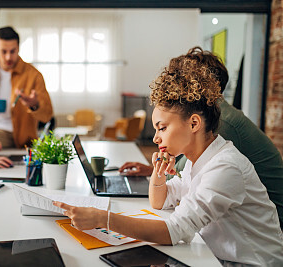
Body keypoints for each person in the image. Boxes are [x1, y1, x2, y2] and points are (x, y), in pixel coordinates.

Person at [54, 49, 283, 265]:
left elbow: (174, 231)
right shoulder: (198, 160)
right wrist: (158, 174)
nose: (155, 138)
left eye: (161, 128)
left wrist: (103, 219)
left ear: (194, 123)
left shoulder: (225, 167)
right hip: (217, 255)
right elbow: (160, 201)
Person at [120, 46, 283, 229]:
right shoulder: (210, 127)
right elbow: (181, 177)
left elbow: (179, 218)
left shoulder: (222, 127)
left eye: (185, 76)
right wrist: (155, 169)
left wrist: (107, 220)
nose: (176, 83)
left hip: (262, 225)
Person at [0, 26, 53, 149]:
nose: (8, 57)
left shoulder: (33, 75)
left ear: (18, 49)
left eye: (13, 51)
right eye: (4, 51)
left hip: (20, 136)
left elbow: (47, 115)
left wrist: (34, 104)